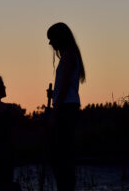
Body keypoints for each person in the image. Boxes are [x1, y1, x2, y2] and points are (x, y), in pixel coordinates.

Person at [47, 22, 86, 191]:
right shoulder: (68, 55)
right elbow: (65, 85)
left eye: (51, 39)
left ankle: (65, 188)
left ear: (59, 37)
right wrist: (53, 95)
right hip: (66, 105)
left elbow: (64, 87)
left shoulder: (69, 55)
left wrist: (56, 110)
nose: (50, 43)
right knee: (62, 153)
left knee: (61, 154)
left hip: (65, 108)